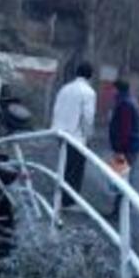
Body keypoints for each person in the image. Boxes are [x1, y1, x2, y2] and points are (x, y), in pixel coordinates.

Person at [50, 62, 97, 207]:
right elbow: (87, 118)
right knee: (75, 171)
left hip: (60, 132)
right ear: (90, 76)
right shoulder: (89, 92)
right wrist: (88, 137)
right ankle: (68, 201)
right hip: (76, 136)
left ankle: (59, 197)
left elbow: (56, 109)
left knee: (64, 167)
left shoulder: (65, 88)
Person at [108, 79, 139, 215]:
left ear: (117, 89)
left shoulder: (124, 105)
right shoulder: (128, 102)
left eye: (113, 89)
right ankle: (120, 208)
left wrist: (119, 148)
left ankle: (121, 209)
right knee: (122, 176)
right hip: (128, 146)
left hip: (125, 148)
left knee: (121, 177)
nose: (111, 92)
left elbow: (124, 129)